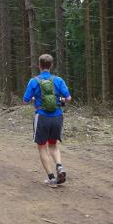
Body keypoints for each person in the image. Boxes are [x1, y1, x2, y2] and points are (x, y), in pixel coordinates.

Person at [23, 53, 71, 187]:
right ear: (51, 65)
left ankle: (51, 178)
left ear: (39, 65)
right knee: (53, 145)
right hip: (57, 117)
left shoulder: (34, 81)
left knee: (42, 147)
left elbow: (25, 100)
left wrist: (34, 98)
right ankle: (60, 167)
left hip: (42, 117)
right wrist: (60, 100)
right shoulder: (59, 80)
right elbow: (68, 98)